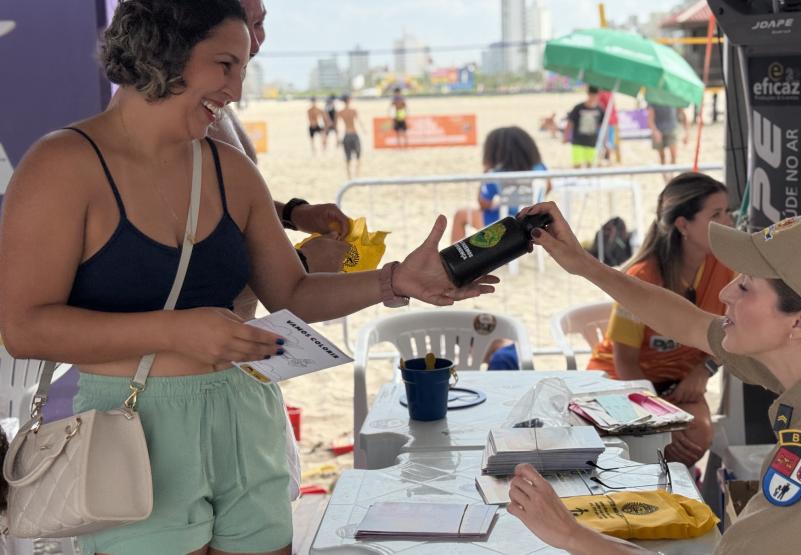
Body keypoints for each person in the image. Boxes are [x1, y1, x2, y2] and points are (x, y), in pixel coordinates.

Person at [0, 2, 497, 553]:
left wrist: (396, 280)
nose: (235, 90)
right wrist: (175, 332)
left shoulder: (229, 169)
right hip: (130, 428)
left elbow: (293, 292)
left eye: (242, 69)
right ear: (163, 52)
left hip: (246, 412)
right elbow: (25, 328)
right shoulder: (62, 165)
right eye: (225, 64)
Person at [509, 202, 801, 553]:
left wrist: (570, 534)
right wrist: (584, 265)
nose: (725, 294)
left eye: (746, 286)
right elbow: (685, 322)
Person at [207, 0, 351, 322]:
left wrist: (293, 213)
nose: (254, 42)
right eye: (244, 25)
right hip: (199, 355)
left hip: (238, 340)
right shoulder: (174, 122)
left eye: (260, 25)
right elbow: (181, 258)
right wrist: (300, 264)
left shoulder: (215, 102)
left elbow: (226, 203)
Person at [586, 173, 734, 467]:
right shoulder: (641, 278)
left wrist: (703, 371)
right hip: (622, 384)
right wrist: (656, 418)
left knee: (696, 434)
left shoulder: (727, 268)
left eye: (728, 212)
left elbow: (735, 334)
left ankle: (672, 492)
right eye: (716, 214)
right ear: (683, 225)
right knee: (652, 443)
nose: (729, 222)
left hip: (677, 383)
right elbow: (624, 362)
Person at [450, 126, 548, 243]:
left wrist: (486, 172)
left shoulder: (496, 175)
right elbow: (548, 186)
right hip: (532, 221)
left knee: (461, 215)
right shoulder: (540, 167)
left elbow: (484, 204)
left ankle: (455, 257)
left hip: (503, 223)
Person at [566, 85, 605, 168]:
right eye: (591, 95)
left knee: (590, 165)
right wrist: (566, 136)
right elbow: (570, 122)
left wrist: (605, 141)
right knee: (577, 165)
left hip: (592, 141)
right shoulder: (578, 108)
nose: (593, 97)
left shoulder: (600, 109)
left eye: (595, 95)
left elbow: (603, 126)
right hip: (578, 141)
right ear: (588, 94)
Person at [338, 94, 366, 179]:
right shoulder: (353, 110)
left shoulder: (340, 112)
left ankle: (349, 175)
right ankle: (357, 174)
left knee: (347, 157)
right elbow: (359, 121)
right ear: (349, 100)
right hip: (354, 134)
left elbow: (338, 126)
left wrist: (338, 138)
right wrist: (364, 129)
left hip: (346, 134)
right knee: (358, 156)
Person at [597, 90, 621, 164]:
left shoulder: (601, 93)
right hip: (613, 119)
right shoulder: (609, 92)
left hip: (607, 121)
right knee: (613, 142)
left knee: (606, 142)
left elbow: (600, 107)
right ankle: (616, 159)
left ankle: (608, 159)